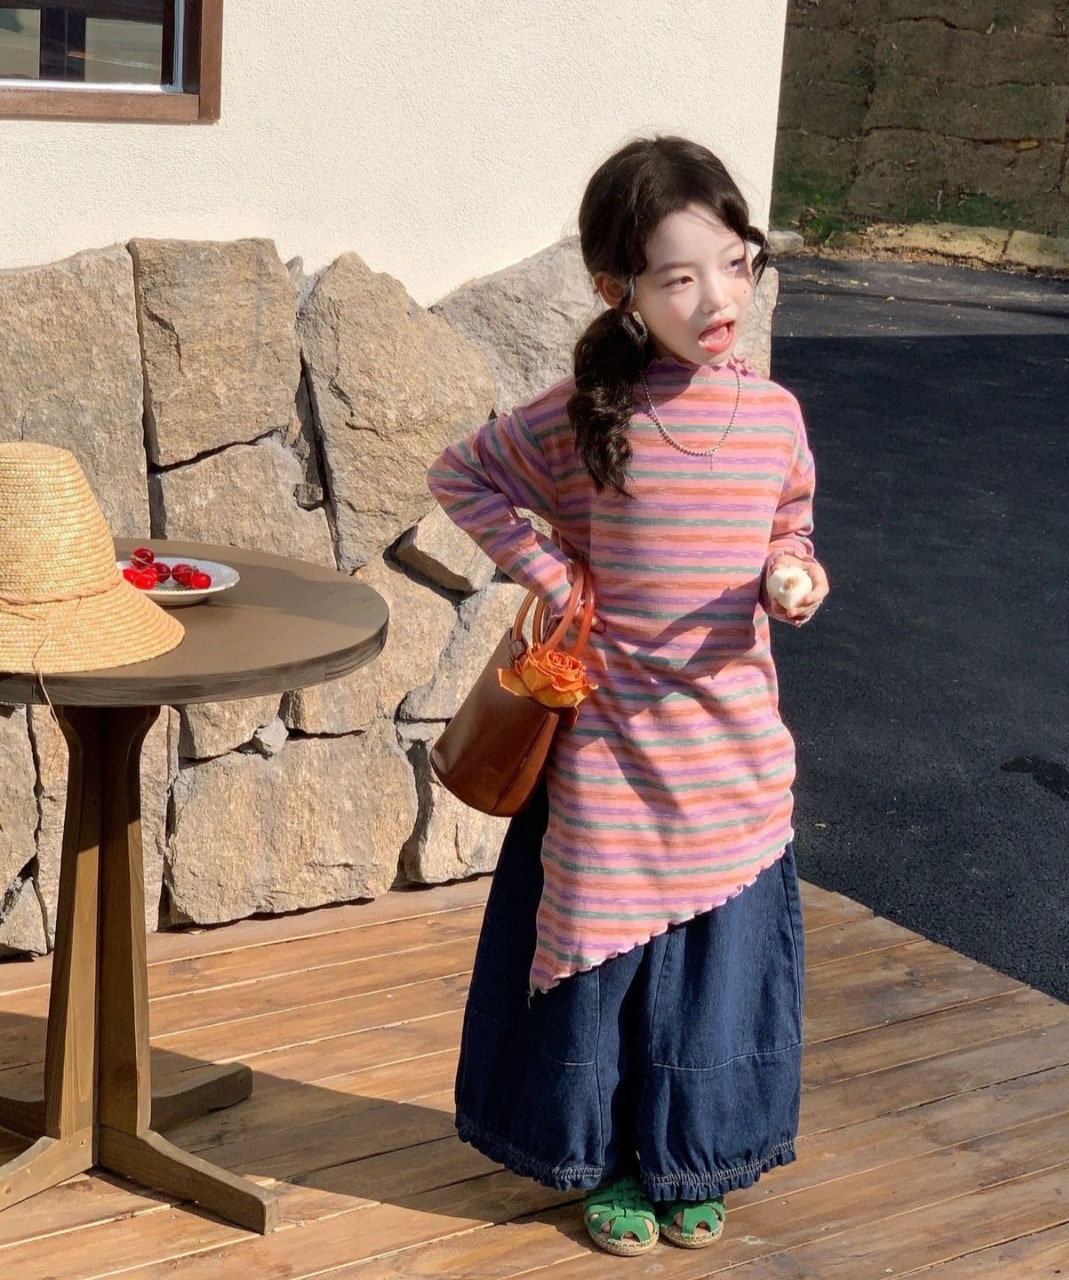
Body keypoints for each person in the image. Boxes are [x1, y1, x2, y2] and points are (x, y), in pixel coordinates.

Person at [427, 134, 829, 1257]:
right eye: (678, 277)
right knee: (607, 963)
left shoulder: (775, 415)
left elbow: (790, 526)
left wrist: (793, 575)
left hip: (733, 754)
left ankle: (693, 1159)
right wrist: (562, 583)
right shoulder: (583, 415)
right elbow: (461, 474)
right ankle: (606, 1163)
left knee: (716, 974)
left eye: (734, 265)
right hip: (608, 754)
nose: (717, 299)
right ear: (620, 290)